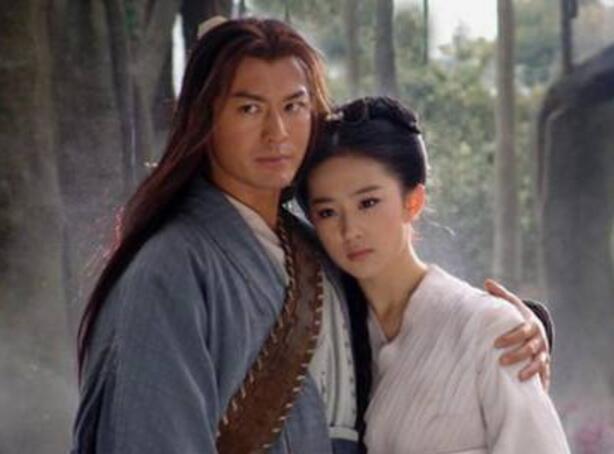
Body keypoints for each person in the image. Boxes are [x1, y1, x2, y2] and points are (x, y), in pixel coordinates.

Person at [71, 18, 551, 454]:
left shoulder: (318, 250)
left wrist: (510, 331)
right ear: (205, 118)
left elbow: (409, 336)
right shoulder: (171, 267)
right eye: (249, 108)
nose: (277, 132)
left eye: (294, 106)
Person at [296, 96, 569, 453]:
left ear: (413, 201)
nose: (350, 230)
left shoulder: (492, 328)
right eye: (328, 212)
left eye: (368, 203)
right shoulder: (332, 337)